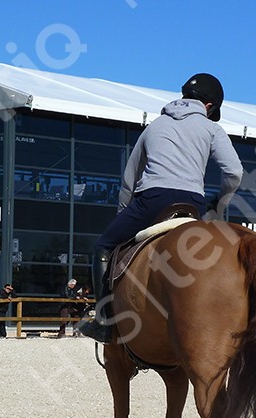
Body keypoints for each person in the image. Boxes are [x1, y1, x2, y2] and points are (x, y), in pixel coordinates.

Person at [78, 73, 243, 343]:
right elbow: (234, 172)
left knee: (104, 247)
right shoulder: (212, 129)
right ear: (210, 107)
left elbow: (129, 180)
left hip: (150, 201)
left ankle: (105, 322)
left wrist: (124, 216)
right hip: (192, 204)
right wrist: (220, 202)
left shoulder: (154, 126)